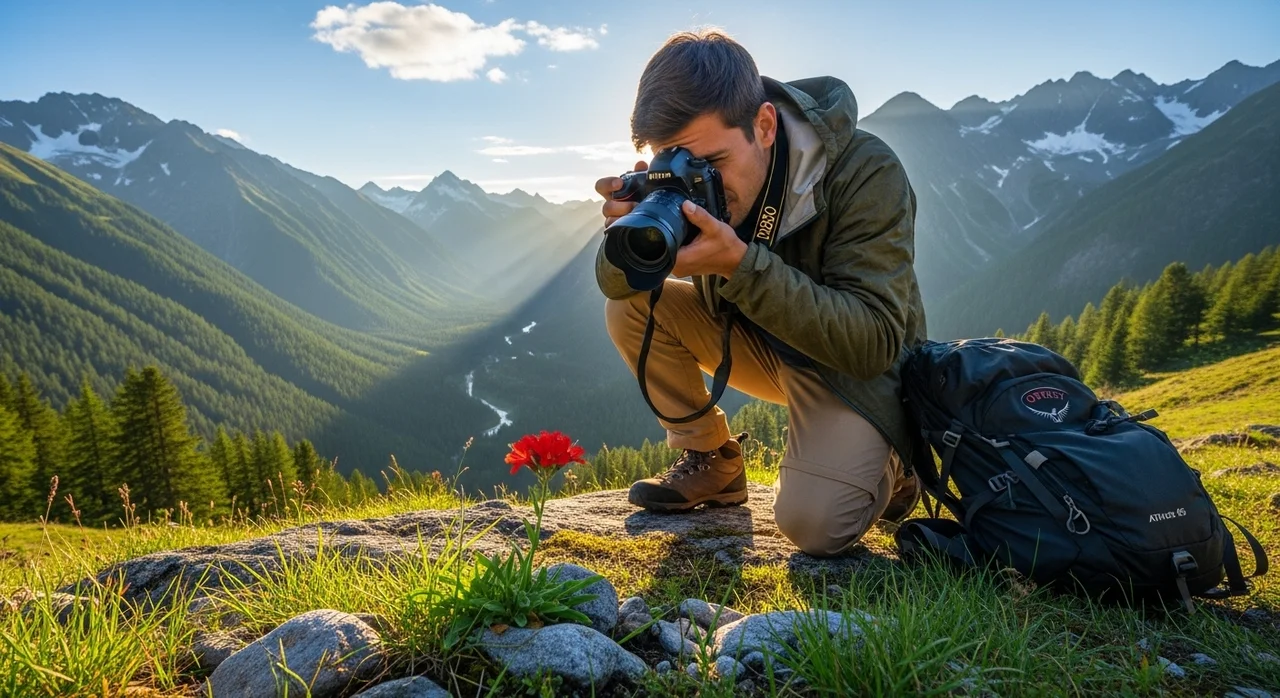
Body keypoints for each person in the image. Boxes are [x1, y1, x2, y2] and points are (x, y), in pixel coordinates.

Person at [593, 28, 928, 557]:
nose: (702, 182)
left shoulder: (865, 171)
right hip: (762, 346)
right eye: (678, 163)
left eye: (715, 164)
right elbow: (616, 284)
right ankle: (714, 462)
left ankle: (895, 459)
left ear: (764, 125)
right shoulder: (685, 179)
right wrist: (635, 224)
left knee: (813, 524)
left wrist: (740, 265)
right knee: (628, 307)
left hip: (851, 368)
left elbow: (875, 342)